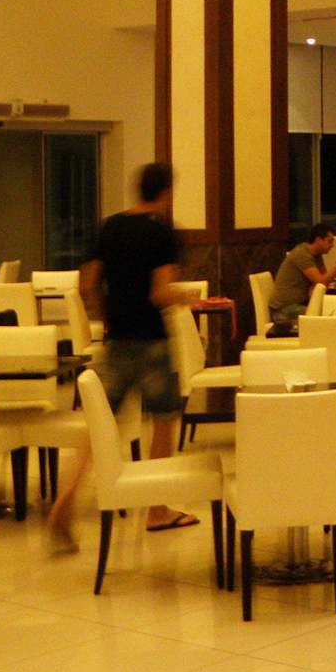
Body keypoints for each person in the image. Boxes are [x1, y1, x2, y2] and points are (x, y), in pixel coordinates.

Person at [47, 163, 197, 551]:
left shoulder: (110, 227)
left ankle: (67, 496)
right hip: (153, 341)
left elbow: (87, 283)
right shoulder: (163, 233)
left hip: (116, 340)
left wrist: (106, 316)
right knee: (163, 420)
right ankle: (158, 509)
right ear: (165, 192)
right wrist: (186, 297)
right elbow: (159, 293)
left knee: (100, 423)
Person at [269, 222, 336, 328]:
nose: (332, 245)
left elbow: (324, 280)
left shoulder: (316, 255)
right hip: (283, 309)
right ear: (318, 240)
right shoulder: (302, 254)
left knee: (331, 310)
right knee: (321, 316)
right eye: (329, 241)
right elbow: (322, 281)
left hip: (299, 304)